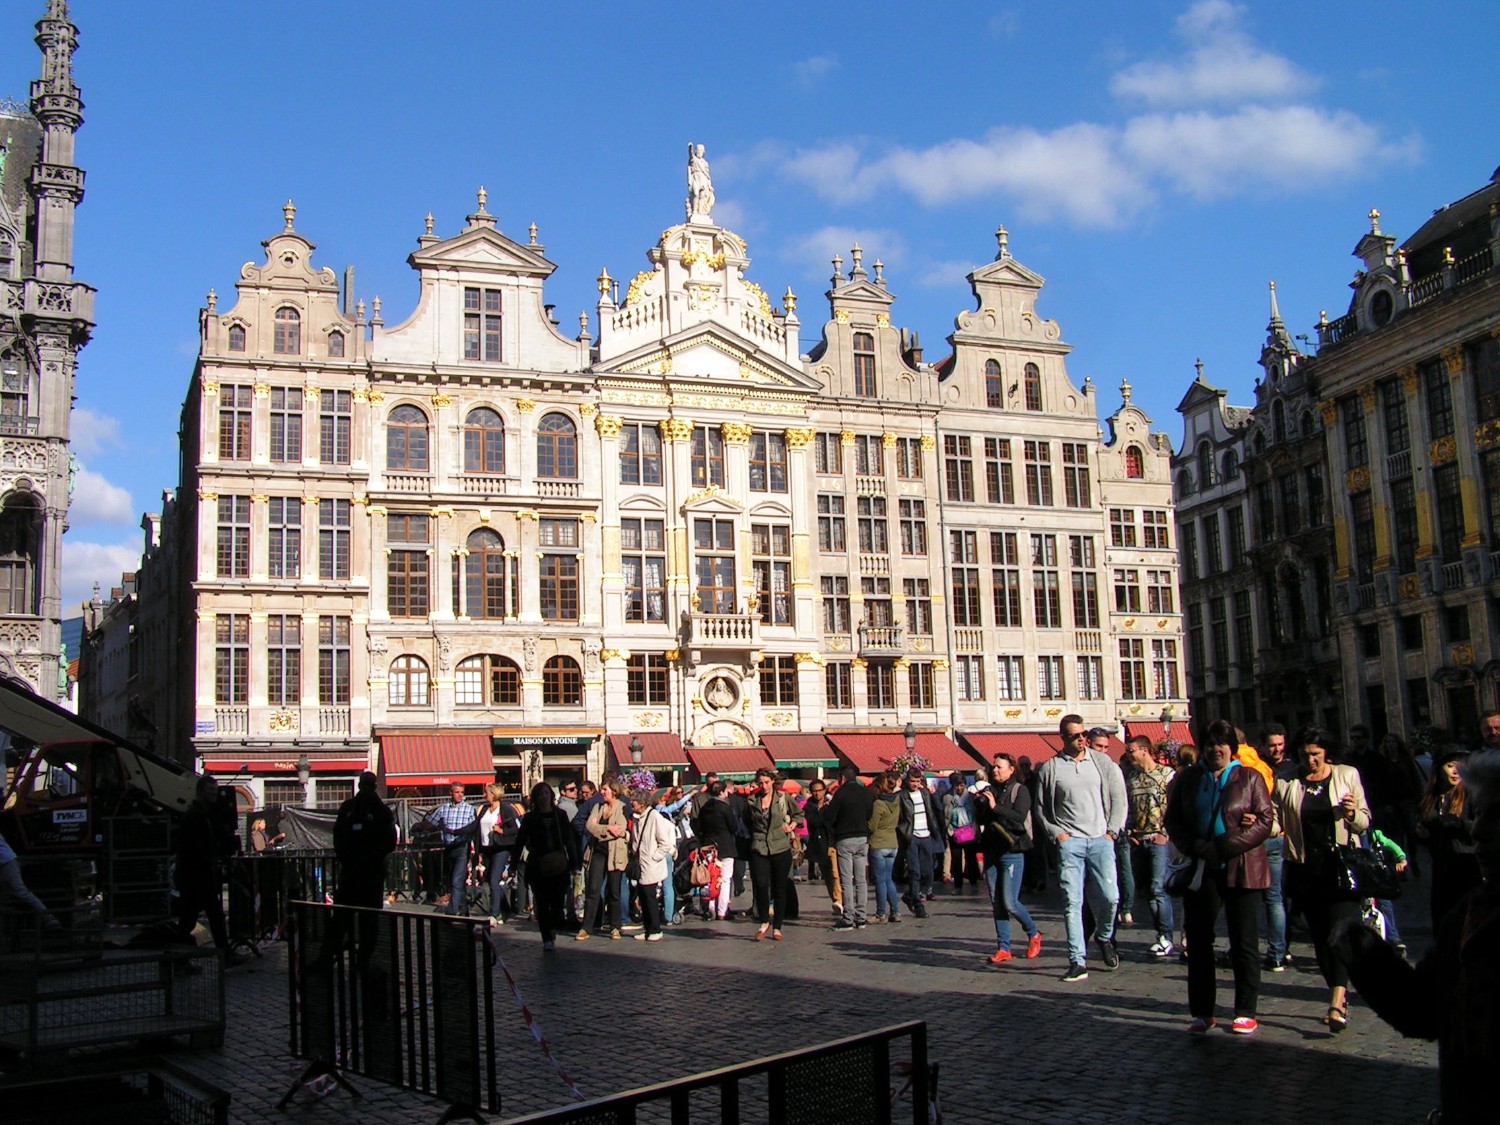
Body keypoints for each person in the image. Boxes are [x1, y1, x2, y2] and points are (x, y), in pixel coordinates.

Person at [1336, 751, 1500, 1125]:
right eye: (1481, 815)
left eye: (1494, 817)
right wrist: (1365, 953)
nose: (1478, 831)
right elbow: (1423, 1009)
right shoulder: (1471, 913)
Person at [1165, 720, 1273, 1034]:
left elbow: (1264, 821)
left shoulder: (1249, 777)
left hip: (1242, 867)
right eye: (1210, 743)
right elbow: (1173, 819)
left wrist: (1226, 845)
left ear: (1232, 748)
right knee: (1199, 942)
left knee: (1244, 941)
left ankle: (1245, 1010)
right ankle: (1202, 1011)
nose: (1216, 749)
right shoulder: (1189, 779)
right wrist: (1196, 846)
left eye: (1221, 743)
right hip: (1202, 869)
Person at [1272, 726, 1371, 1033]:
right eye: (1305, 755)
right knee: (1321, 938)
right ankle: (1336, 991)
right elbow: (1274, 818)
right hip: (1305, 868)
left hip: (1340, 868)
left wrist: (1352, 814)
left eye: (1315, 754)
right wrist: (1259, 824)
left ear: (1327, 752)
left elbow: (1364, 821)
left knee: (1340, 932)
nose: (1310, 760)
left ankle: (1337, 1002)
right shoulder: (1286, 780)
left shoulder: (1347, 775)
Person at [1036, 714, 1127, 982]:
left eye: (1083, 734)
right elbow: (1041, 808)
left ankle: (1104, 936)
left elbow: (1119, 798)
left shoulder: (1102, 763)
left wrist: (1112, 831)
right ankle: (1077, 960)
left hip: (1100, 839)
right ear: (1063, 737)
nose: (1081, 739)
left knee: (1111, 897)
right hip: (1071, 842)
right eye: (1075, 735)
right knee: (1072, 902)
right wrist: (1058, 834)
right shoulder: (1051, 768)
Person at [974, 755, 1041, 964]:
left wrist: (995, 807)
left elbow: (1019, 817)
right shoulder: (991, 790)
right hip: (991, 849)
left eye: (999, 767)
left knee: (1010, 902)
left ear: (1011, 769)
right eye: (993, 767)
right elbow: (983, 819)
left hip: (1013, 849)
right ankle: (1004, 947)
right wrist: (980, 805)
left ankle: (1033, 933)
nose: (995, 770)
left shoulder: (1020, 790)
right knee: (997, 902)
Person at [325, 771, 396, 964]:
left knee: (361, 920)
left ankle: (360, 959)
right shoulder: (353, 808)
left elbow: (389, 841)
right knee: (347, 918)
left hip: (364, 872)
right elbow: (338, 837)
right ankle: (337, 956)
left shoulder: (379, 811)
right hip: (358, 872)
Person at [1121, 735, 1175, 959]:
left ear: (1144, 750)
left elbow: (1174, 807)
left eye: (1132, 750)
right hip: (1139, 840)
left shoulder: (1166, 775)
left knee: (1158, 888)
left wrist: (1165, 833)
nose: (1129, 754)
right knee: (1149, 892)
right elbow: (1128, 808)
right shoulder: (1131, 778)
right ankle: (1161, 934)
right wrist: (1129, 832)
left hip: (1158, 839)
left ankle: (1166, 936)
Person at [1416, 750, 1480, 931]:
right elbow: (1427, 829)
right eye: (1450, 766)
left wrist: (1460, 824)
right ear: (1439, 769)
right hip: (1441, 866)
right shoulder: (1433, 797)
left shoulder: (1472, 794)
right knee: (1442, 918)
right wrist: (1422, 834)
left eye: (1460, 766)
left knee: (1464, 919)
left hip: (1467, 865)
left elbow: (1482, 827)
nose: (1455, 771)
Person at [513, 782, 580, 951]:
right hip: (538, 864)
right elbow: (520, 841)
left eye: (546, 793)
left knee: (557, 903)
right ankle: (547, 937)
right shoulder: (530, 818)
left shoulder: (560, 815)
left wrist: (574, 863)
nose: (543, 797)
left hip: (558, 865)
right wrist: (513, 864)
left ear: (551, 796)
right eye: (540, 794)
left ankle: (553, 926)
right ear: (535, 798)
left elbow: (569, 840)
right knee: (541, 903)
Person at [176, 774, 233, 958]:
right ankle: (225, 955)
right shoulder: (195, 816)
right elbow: (197, 848)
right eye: (211, 790)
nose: (214, 794)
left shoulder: (202, 814)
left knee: (189, 920)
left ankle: (178, 960)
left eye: (216, 790)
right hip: (197, 875)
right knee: (211, 917)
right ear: (201, 792)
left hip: (196, 875)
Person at [745, 767, 803, 940]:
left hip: (780, 846)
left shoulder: (783, 798)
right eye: (760, 783)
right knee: (762, 885)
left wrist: (791, 826)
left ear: (772, 782)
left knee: (780, 887)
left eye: (766, 782)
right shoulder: (752, 800)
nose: (763, 786)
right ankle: (764, 921)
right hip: (760, 847)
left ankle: (777, 926)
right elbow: (746, 821)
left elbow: (799, 814)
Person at [579, 778, 629, 940]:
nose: (602, 792)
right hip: (598, 852)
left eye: (605, 789)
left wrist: (599, 829)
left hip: (616, 853)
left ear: (613, 791)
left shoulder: (622, 807)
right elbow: (589, 826)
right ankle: (587, 927)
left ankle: (615, 926)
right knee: (593, 889)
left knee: (614, 891)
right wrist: (608, 828)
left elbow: (620, 830)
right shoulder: (597, 807)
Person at [828, 765, 875, 931]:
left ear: (842, 778)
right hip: (862, 838)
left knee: (847, 880)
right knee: (861, 880)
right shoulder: (867, 793)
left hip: (845, 838)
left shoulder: (841, 793)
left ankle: (848, 918)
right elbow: (870, 814)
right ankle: (861, 917)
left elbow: (830, 816)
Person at [628, 789, 677, 941]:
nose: (631, 804)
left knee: (650, 897)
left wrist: (655, 856)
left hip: (651, 864)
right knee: (643, 896)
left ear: (642, 803)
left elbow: (665, 842)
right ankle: (648, 928)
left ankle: (656, 929)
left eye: (634, 802)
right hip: (640, 863)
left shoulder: (654, 816)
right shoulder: (636, 818)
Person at [422, 783, 478, 915]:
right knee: (454, 879)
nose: (460, 795)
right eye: (457, 792)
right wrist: (419, 827)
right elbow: (430, 822)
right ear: (451, 793)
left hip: (462, 847)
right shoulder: (443, 809)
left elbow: (473, 829)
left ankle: (452, 911)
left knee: (456, 879)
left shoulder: (469, 809)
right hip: (448, 848)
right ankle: (463, 909)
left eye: (462, 792)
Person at [897, 770, 945, 917]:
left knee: (927, 871)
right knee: (914, 872)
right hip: (911, 836)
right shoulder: (902, 796)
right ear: (907, 781)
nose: (915, 784)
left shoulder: (925, 793)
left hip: (926, 835)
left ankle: (909, 895)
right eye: (913, 781)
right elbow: (899, 817)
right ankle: (918, 905)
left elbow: (938, 810)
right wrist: (903, 833)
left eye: (918, 781)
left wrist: (934, 795)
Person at [693, 780, 741, 920]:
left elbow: (698, 826)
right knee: (725, 879)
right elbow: (734, 827)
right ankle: (722, 911)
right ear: (722, 792)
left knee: (710, 878)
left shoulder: (705, 808)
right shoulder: (725, 807)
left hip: (708, 846)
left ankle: (710, 908)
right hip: (725, 846)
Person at [0, 825, 60, 930]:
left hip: (6, 863)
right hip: (5, 862)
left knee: (20, 892)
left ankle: (49, 919)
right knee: (10, 895)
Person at [477, 783, 520, 926]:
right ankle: (505, 909)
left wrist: (502, 831)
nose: (485, 795)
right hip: (487, 848)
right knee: (489, 880)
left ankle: (494, 914)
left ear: (494, 794)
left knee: (494, 880)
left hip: (501, 848)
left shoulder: (505, 809)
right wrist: (478, 851)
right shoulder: (484, 809)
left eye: (487, 793)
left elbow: (516, 828)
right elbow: (477, 828)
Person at [801, 779, 841, 916]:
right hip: (819, 845)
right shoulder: (808, 807)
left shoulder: (832, 805)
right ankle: (836, 901)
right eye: (814, 791)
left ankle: (839, 901)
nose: (817, 793)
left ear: (824, 791)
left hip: (832, 843)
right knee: (827, 876)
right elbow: (816, 822)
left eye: (819, 790)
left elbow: (833, 822)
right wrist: (824, 810)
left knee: (836, 874)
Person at [867, 772, 902, 923]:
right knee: (889, 879)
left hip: (879, 843)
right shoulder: (897, 801)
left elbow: (872, 826)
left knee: (880, 880)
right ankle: (895, 912)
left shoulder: (879, 803)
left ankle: (880, 914)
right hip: (892, 843)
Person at [941, 772, 979, 892]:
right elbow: (945, 814)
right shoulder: (947, 797)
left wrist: (975, 829)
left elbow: (976, 813)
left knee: (971, 858)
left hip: (969, 830)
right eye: (956, 786)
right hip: (954, 830)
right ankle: (958, 885)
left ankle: (973, 883)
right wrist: (948, 828)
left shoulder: (971, 797)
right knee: (956, 859)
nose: (959, 788)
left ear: (965, 784)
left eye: (961, 785)